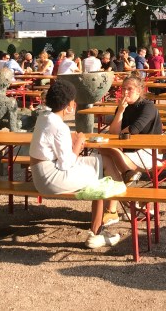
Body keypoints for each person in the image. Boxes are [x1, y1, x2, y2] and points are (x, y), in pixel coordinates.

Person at [29, 79, 122, 249]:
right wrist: (78, 143)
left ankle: (109, 214)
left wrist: (72, 141)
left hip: (40, 175)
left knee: (100, 161)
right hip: (51, 179)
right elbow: (67, 163)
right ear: (69, 104)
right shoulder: (59, 126)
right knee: (100, 178)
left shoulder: (44, 118)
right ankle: (97, 233)